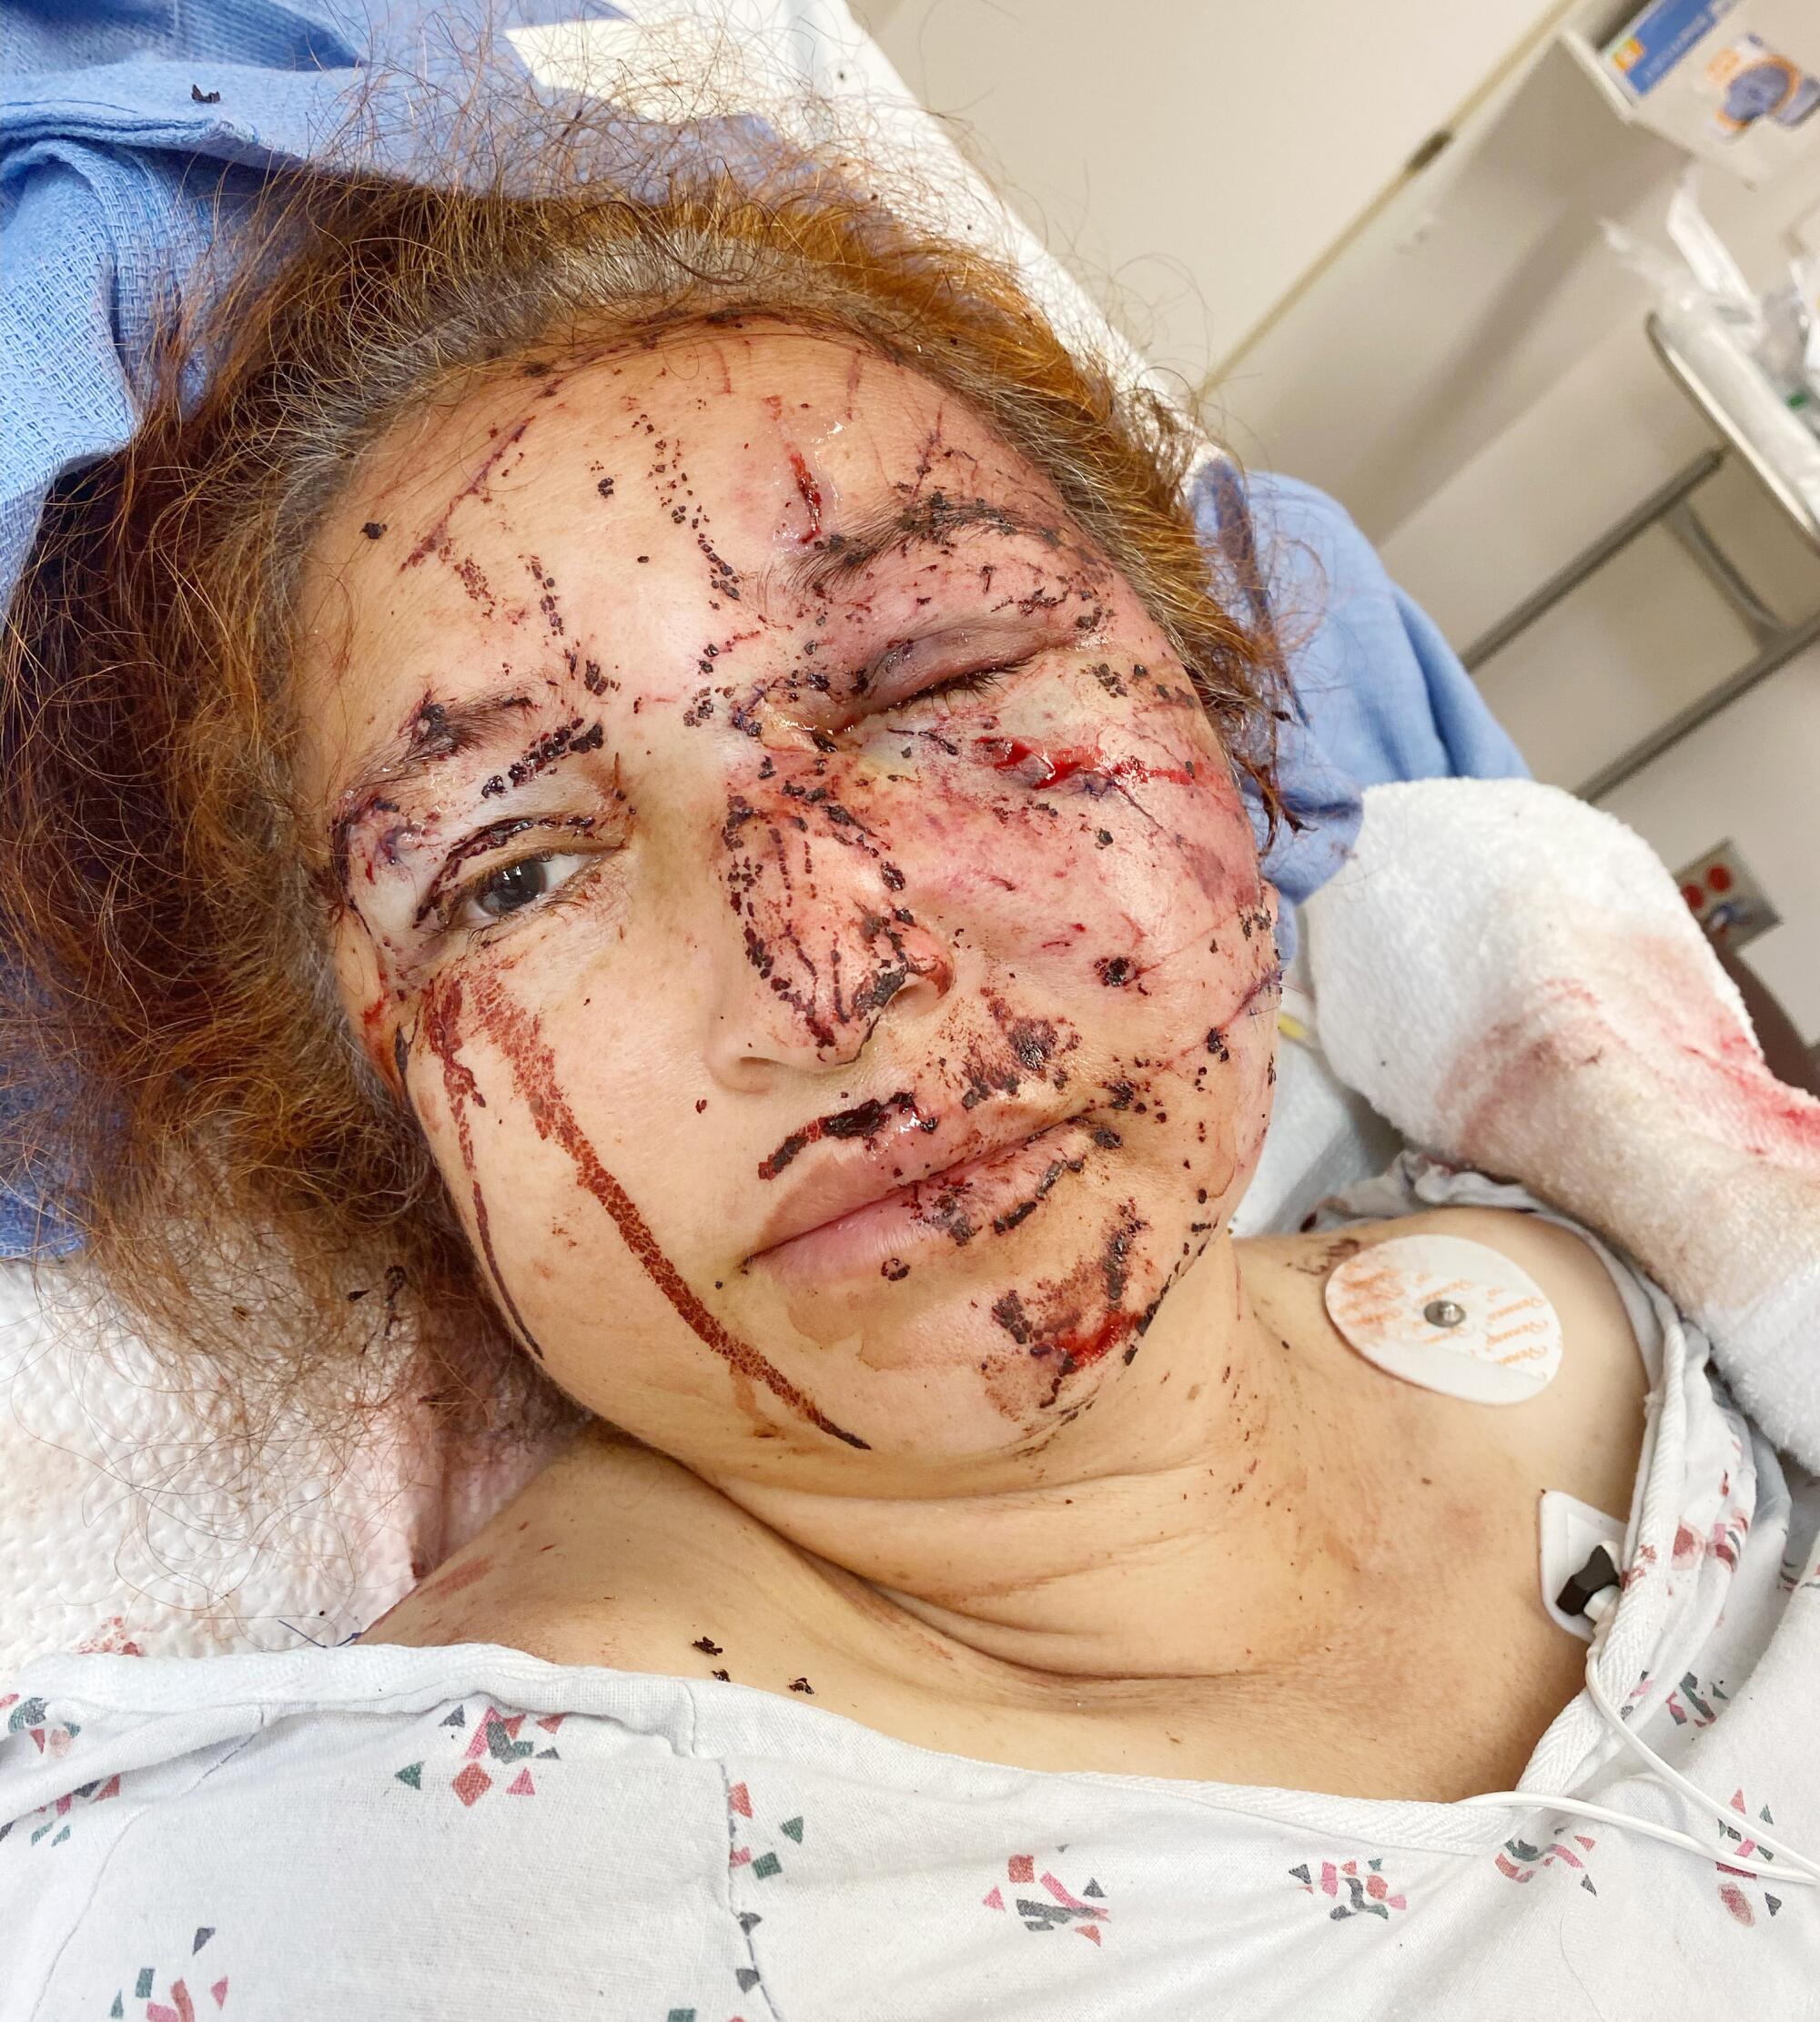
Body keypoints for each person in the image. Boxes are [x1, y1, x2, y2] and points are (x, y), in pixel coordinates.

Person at [0, 136, 1813, 2020]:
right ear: (371, 1126)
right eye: (513, 870)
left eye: (933, 680)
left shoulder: (1609, 1256)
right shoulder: (380, 1909)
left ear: (1229, 720)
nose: (834, 964)